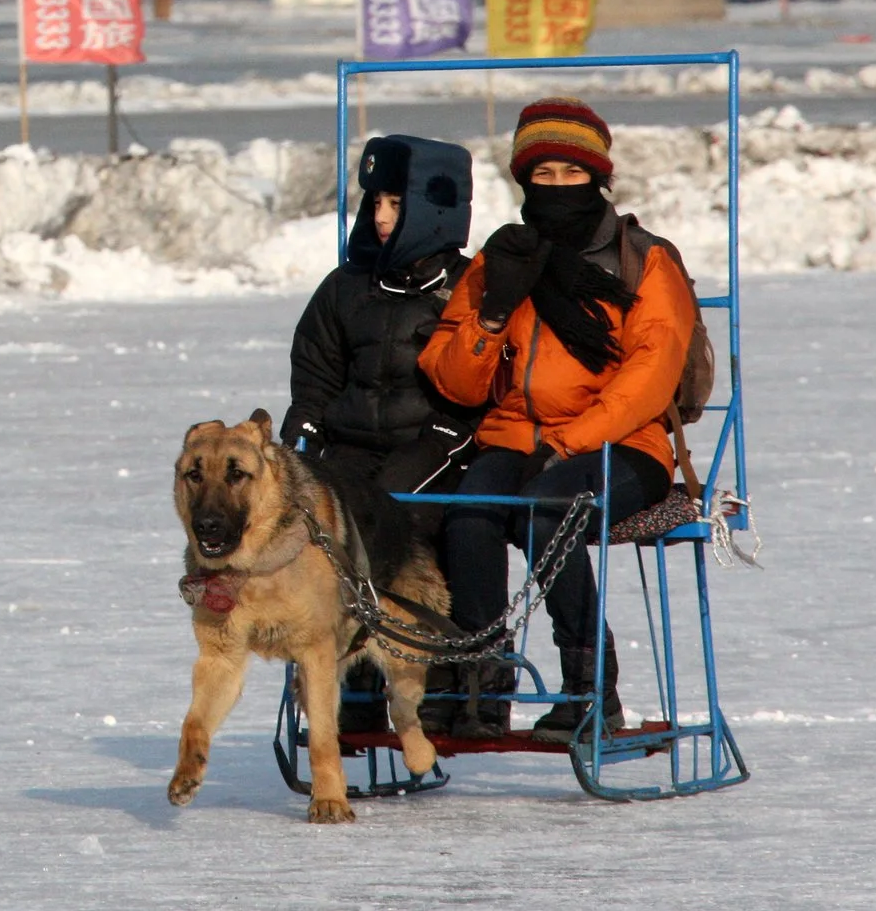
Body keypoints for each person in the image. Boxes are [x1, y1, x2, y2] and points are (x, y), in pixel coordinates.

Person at [419, 98, 696, 745]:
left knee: (550, 506)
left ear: (597, 177)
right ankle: (481, 685)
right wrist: (492, 315)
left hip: (624, 444)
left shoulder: (645, 259)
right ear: (523, 181)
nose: (557, 189)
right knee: (471, 512)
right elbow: (453, 377)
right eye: (542, 176)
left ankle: (590, 687)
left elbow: (650, 375)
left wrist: (572, 441)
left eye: (572, 175)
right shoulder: (501, 258)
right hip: (514, 435)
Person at [284, 133, 482, 734]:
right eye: (375, 203)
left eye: (396, 204)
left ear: (433, 208)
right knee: (319, 528)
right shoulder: (346, 287)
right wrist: (302, 435)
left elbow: (483, 384)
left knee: (404, 524)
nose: (381, 216)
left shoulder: (471, 287)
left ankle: (442, 684)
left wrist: (444, 440)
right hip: (350, 451)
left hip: (436, 447)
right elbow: (314, 377)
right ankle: (350, 688)